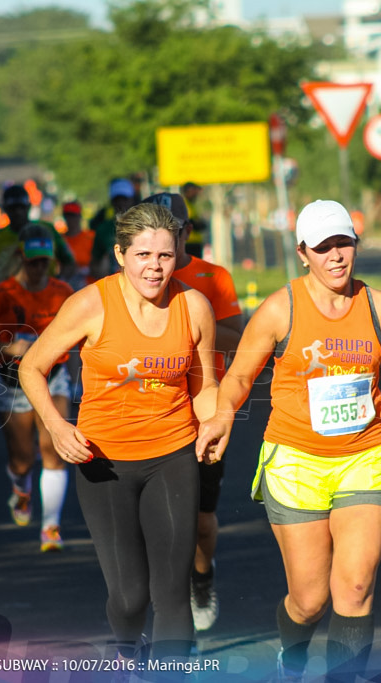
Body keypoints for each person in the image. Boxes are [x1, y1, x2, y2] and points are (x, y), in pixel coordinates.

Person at [196, 199, 381, 681]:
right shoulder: (280, 309)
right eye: (323, 247)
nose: (336, 256)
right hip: (296, 462)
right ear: (303, 253)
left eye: (344, 244)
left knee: (354, 586)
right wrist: (221, 417)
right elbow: (237, 379)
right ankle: (291, 655)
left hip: (366, 456)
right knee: (310, 600)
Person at [18, 202, 219, 664]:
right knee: (129, 599)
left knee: (171, 591)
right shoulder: (90, 303)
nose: (154, 267)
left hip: (173, 456)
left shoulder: (194, 307)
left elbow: (203, 385)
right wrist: (55, 424)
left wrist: (212, 425)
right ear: (120, 254)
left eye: (165, 256)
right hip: (103, 462)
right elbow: (32, 367)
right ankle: (129, 653)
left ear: (177, 255)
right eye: (143, 255)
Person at [143, 192, 243, 632]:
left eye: (176, 228)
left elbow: (238, 339)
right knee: (157, 520)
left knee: (201, 522)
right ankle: (166, 603)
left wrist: (190, 320)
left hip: (203, 410)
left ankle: (202, 578)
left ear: (186, 230)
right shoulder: (137, 273)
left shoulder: (212, 276)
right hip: (151, 411)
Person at [0, 224, 75, 552]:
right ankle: (21, 489)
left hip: (53, 378)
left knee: (55, 452)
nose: (39, 268)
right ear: (20, 259)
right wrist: (9, 349)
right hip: (12, 382)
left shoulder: (63, 292)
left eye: (45, 262)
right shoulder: (2, 295)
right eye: (33, 262)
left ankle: (51, 528)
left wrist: (78, 376)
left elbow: (79, 335)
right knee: (23, 459)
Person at [0, 185, 75, 286]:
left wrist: (57, 284)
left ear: (29, 207)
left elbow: (69, 263)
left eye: (21, 207)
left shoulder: (47, 230)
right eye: (13, 208)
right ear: (5, 209)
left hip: (47, 296)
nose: (18, 212)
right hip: (10, 298)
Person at [89, 178, 138, 280]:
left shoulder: (145, 226)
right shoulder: (103, 229)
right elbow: (95, 264)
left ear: (132, 200)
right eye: (117, 199)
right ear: (111, 202)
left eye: (124, 199)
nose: (121, 203)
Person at [59, 201, 94, 290]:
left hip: (88, 287)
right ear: (64, 217)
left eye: (73, 215)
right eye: (68, 215)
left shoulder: (91, 237)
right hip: (65, 286)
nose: (71, 219)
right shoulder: (60, 240)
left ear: (79, 216)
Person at [181, 182, 206, 258]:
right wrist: (200, 225)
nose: (196, 193)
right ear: (188, 191)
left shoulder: (192, 205)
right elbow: (192, 223)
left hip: (194, 242)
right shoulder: (184, 204)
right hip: (189, 243)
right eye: (194, 190)